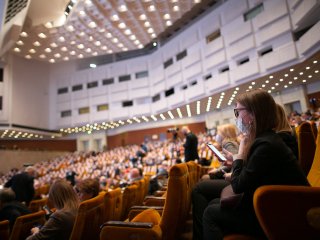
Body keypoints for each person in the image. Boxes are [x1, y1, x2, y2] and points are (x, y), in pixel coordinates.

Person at [202, 89, 309, 239]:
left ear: (253, 114)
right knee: (214, 203)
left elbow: (238, 185)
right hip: (273, 204)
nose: (237, 117)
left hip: (280, 214)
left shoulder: (266, 144)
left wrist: (239, 155)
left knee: (210, 214)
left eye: (238, 112)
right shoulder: (266, 139)